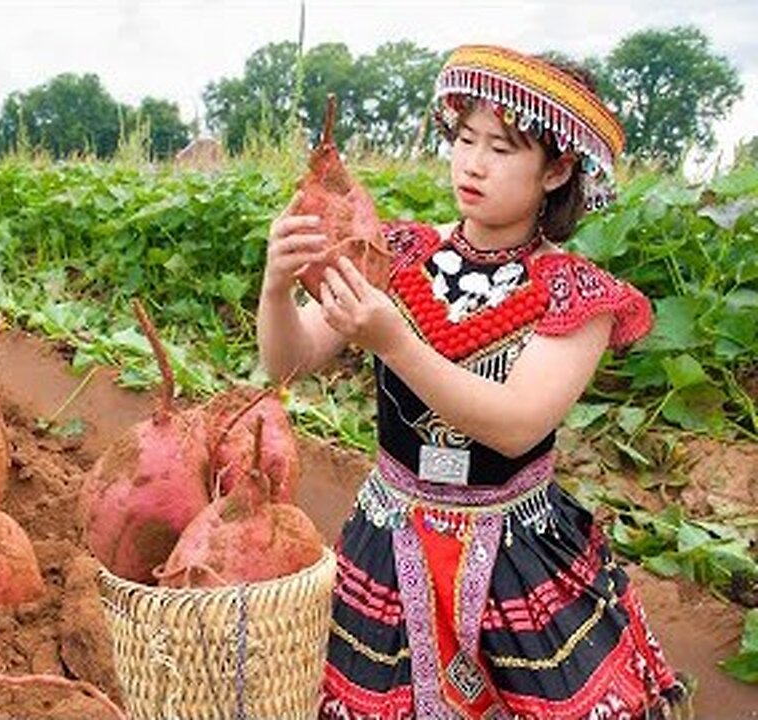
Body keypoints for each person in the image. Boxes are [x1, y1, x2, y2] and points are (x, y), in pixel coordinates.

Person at [258, 45, 683, 719]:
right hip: (388, 533)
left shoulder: (576, 293)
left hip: (516, 549)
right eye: (464, 139)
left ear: (558, 169)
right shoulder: (396, 253)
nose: (472, 163)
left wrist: (394, 341)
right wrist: (278, 288)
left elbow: (517, 423)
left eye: (503, 148)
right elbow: (291, 361)